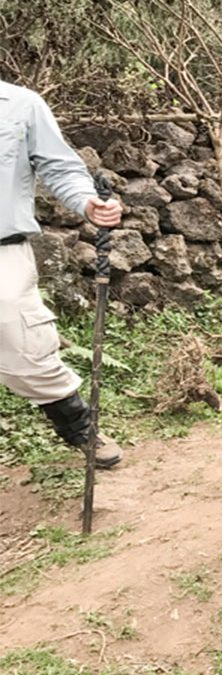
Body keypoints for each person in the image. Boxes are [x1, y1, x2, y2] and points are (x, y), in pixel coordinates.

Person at [0, 78, 124, 468]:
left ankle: (78, 425)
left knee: (27, 347)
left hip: (4, 251)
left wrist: (87, 202)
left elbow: (59, 167)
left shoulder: (20, 104)